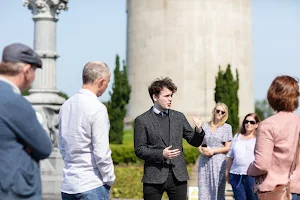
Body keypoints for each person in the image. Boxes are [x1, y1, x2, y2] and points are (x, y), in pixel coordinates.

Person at [134, 77, 205, 200]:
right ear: (155, 97)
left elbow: (194, 141)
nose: (170, 99)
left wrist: (198, 131)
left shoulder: (178, 117)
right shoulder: (142, 120)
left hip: (178, 176)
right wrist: (161, 153)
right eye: (166, 96)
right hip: (153, 177)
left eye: (171, 96)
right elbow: (139, 150)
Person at [0, 43, 52, 199]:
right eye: (34, 71)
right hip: (14, 189)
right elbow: (44, 147)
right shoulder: (14, 101)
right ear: (26, 70)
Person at [58, 61, 115, 200]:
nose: (107, 86)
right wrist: (109, 178)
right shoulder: (98, 108)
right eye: (107, 82)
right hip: (91, 183)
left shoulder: (66, 105)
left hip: (68, 184)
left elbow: (61, 145)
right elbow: (101, 153)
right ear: (101, 81)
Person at [247, 75, 300, 199]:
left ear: (272, 95)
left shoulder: (268, 125)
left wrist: (250, 170)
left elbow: (262, 165)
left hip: (275, 191)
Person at [197, 102, 232, 200]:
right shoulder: (204, 126)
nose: (220, 113)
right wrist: (203, 151)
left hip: (218, 162)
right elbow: (199, 143)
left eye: (223, 112)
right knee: (204, 188)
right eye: (218, 111)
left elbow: (227, 147)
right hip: (204, 162)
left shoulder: (227, 127)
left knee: (217, 190)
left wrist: (213, 151)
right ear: (214, 111)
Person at [225, 113, 261, 200]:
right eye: (246, 121)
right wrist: (227, 173)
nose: (248, 124)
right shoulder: (237, 137)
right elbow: (230, 156)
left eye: (252, 122)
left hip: (252, 176)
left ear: (257, 124)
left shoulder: (259, 138)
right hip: (236, 174)